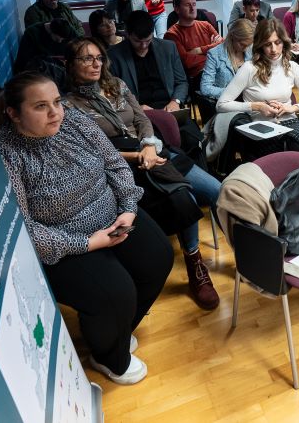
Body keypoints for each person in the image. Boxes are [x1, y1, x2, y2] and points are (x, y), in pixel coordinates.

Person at [0, 72, 173, 385]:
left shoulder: (75, 121)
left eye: (57, 102)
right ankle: (108, 357)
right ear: (13, 113)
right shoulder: (6, 152)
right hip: (65, 242)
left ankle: (117, 331)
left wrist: (128, 209)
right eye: (40, 106)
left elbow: (115, 165)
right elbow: (23, 227)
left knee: (159, 258)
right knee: (116, 294)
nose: (55, 112)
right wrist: (87, 243)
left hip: (113, 215)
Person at [63, 39, 222, 309]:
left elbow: (141, 119)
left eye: (99, 58)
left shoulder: (117, 85)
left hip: (152, 151)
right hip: (118, 166)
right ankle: (194, 261)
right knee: (184, 199)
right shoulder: (68, 106)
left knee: (216, 189)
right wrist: (137, 156)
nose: (95, 64)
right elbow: (90, 152)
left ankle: (246, 251)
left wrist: (148, 145)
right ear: (69, 64)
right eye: (86, 58)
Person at [108, 11, 206, 168]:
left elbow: (181, 81)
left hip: (169, 108)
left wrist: (176, 101)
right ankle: (182, 176)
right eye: (138, 41)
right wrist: (136, 108)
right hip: (141, 115)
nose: (143, 46)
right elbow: (112, 94)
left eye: (148, 40)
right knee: (165, 145)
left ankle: (201, 175)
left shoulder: (167, 47)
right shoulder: (114, 55)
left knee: (194, 139)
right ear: (127, 34)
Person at [216, 18, 299, 157]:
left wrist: (292, 108)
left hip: (290, 122)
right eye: (268, 44)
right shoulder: (249, 68)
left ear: (284, 43)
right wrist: (256, 106)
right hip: (261, 128)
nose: (273, 50)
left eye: (277, 43)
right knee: (282, 154)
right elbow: (221, 105)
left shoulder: (292, 67)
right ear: (260, 45)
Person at [163, 0, 224, 105]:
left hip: (219, 69)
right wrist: (213, 49)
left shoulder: (206, 25)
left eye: (194, 4)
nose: (192, 8)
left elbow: (223, 47)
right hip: (198, 76)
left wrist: (200, 50)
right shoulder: (171, 35)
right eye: (187, 5)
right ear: (177, 9)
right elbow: (187, 62)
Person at [199, 18, 254, 106]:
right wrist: (233, 92)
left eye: (248, 45)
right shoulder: (214, 54)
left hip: (249, 102)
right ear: (232, 37)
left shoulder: (251, 52)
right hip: (226, 104)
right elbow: (205, 88)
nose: (245, 48)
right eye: (242, 44)